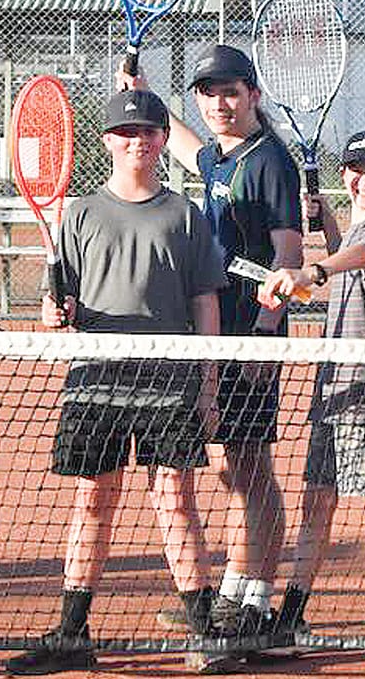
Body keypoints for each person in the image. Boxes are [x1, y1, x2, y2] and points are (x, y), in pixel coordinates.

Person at [5, 88, 231, 677]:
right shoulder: (78, 213)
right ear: (107, 140)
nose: (138, 141)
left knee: (175, 500)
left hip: (170, 380)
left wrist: (207, 385)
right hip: (96, 380)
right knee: (93, 501)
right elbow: (56, 307)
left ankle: (204, 630)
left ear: (162, 141)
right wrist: (53, 315)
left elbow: (205, 302)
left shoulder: (184, 214)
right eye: (126, 132)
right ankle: (72, 632)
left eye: (149, 132)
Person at [126, 46, 304, 645]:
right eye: (208, 93)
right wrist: (146, 92)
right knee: (231, 463)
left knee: (252, 466)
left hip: (251, 330)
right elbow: (183, 145)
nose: (219, 103)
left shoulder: (270, 162)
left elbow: (288, 253)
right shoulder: (221, 157)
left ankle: (255, 602)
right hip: (215, 325)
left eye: (231, 91)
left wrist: (264, 331)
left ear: (253, 95)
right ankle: (233, 590)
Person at [258, 130, 365, 664]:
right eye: (356, 169)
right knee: (318, 504)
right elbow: (347, 252)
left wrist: (312, 269)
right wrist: (328, 219)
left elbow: (364, 253)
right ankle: (291, 616)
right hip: (334, 390)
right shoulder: (354, 227)